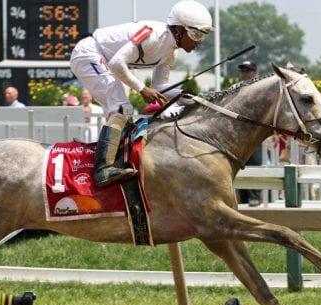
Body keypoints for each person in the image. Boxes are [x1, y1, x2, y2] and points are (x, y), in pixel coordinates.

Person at [70, 0, 214, 187]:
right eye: (195, 35)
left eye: (202, 37)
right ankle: (102, 170)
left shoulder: (171, 53)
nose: (198, 42)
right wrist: (141, 89)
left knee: (124, 113)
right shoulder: (153, 36)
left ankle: (111, 161)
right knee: (121, 109)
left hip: (103, 59)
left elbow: (160, 86)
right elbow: (116, 63)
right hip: (89, 53)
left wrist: (187, 95)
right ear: (179, 29)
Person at [235, 60, 263, 207]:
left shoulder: (261, 88)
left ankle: (255, 196)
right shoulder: (235, 89)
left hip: (254, 133)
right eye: (243, 71)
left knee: (254, 163)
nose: (244, 74)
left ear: (254, 73)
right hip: (239, 135)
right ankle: (244, 198)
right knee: (240, 165)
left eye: (247, 71)